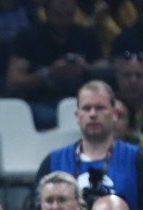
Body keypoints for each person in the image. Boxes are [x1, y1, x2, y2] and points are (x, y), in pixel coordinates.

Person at [32, 81, 143, 210]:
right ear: (77, 116)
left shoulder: (137, 159)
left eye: (100, 108)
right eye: (86, 108)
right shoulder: (53, 161)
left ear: (115, 114)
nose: (92, 114)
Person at [5, 0, 103, 129]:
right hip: (40, 101)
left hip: (80, 100)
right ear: (46, 11)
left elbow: (104, 72)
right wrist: (48, 74)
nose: (64, 20)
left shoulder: (87, 36)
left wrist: (86, 69)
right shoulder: (28, 37)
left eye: (69, 14)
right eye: (58, 15)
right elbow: (14, 81)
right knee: (49, 117)